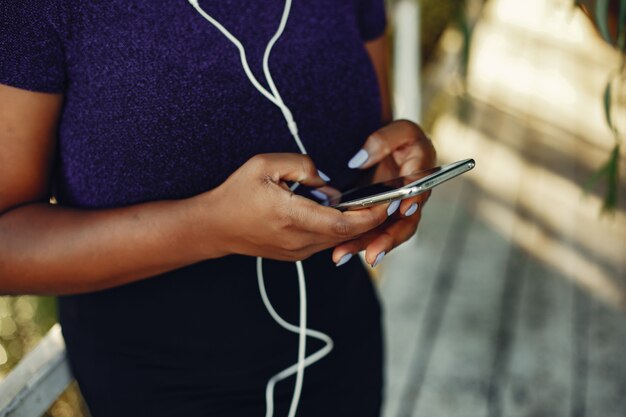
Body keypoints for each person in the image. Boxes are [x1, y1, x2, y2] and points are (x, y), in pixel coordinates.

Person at [0, 1, 436, 416]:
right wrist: (207, 229)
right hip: (160, 387)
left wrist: (391, 174)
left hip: (341, 352)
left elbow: (373, 138)